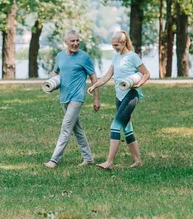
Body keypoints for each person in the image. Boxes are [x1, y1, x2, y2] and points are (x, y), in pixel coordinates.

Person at [87, 30, 150, 169]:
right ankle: (138, 161)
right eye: (113, 45)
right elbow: (106, 76)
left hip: (130, 94)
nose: (114, 48)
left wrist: (138, 84)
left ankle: (109, 162)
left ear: (123, 42)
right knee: (127, 128)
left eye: (116, 45)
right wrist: (94, 85)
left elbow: (146, 73)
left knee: (115, 125)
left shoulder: (132, 56)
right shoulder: (116, 58)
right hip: (119, 96)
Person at [44, 30, 100, 168]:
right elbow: (55, 71)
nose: (76, 43)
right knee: (77, 129)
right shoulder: (60, 56)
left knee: (66, 127)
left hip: (77, 97)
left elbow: (93, 77)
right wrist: (51, 83)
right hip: (64, 97)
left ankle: (54, 160)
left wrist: (96, 99)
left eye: (77, 40)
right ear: (66, 42)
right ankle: (88, 158)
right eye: (72, 41)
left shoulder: (84, 57)